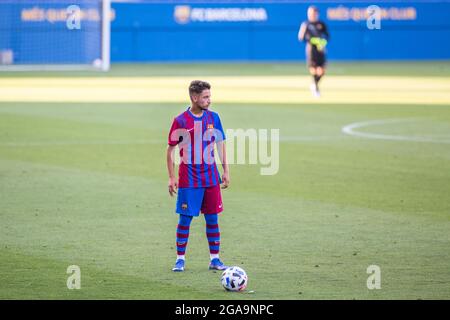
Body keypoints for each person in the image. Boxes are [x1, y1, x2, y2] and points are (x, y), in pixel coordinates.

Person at [166, 80, 230, 272]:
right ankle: (180, 259)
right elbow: (170, 150)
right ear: (194, 98)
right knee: (185, 219)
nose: (209, 100)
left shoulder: (214, 118)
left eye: (210, 96)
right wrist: (171, 177)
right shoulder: (181, 121)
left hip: (211, 177)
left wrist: (226, 170)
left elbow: (220, 145)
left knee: (212, 218)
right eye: (205, 97)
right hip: (189, 178)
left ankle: (215, 259)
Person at [298, 5, 330, 97]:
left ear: (317, 14)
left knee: (322, 70)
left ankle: (314, 84)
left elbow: (327, 36)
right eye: (310, 13)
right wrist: (314, 41)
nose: (312, 15)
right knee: (314, 69)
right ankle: (315, 87)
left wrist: (322, 42)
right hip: (311, 50)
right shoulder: (306, 24)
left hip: (321, 50)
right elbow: (301, 38)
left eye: (314, 13)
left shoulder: (321, 24)